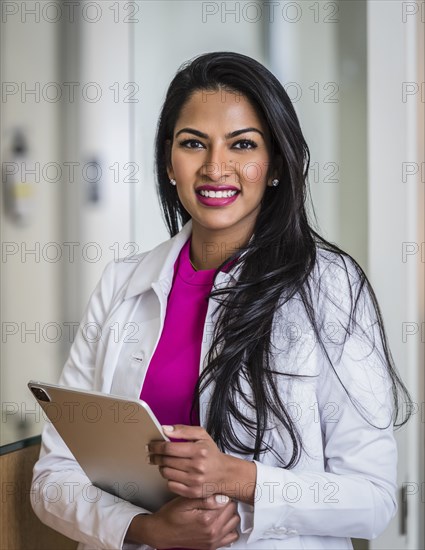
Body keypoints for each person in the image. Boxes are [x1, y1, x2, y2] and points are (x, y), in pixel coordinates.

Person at [31, 51, 412, 550]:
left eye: (242, 145)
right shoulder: (122, 283)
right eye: (194, 144)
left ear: (274, 164)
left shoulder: (330, 287)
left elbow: (373, 500)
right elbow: (53, 477)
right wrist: (147, 529)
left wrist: (239, 478)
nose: (216, 167)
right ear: (169, 160)